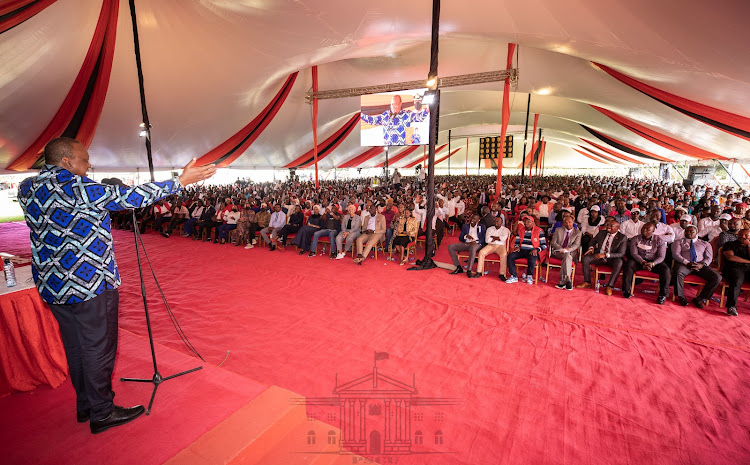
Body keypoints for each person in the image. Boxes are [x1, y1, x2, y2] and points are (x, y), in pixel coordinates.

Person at [17, 137, 215, 434]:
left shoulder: (27, 187)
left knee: (75, 346)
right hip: (88, 283)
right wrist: (179, 181)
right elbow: (128, 197)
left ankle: (85, 404)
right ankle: (102, 412)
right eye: (84, 160)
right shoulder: (76, 186)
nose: (89, 164)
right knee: (98, 347)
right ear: (67, 162)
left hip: (53, 284)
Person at [671, 225, 721, 308]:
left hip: (700, 265)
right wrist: (687, 263)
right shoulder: (678, 242)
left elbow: (709, 257)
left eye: (691, 231)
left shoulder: (705, 243)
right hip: (685, 264)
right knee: (679, 271)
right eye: (686, 231)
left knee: (717, 277)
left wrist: (702, 265)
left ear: (696, 233)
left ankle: (701, 298)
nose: (688, 233)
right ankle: (681, 297)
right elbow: (676, 255)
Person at [622, 222, 671, 303]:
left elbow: (661, 256)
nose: (644, 230)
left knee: (666, 269)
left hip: (654, 261)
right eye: (643, 228)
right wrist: (643, 262)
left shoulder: (660, 241)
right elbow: (634, 254)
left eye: (648, 229)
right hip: (639, 260)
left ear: (653, 231)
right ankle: (626, 290)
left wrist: (653, 263)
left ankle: (663, 295)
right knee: (628, 265)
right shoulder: (635, 239)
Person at [577, 219, 627, 294]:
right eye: (607, 225)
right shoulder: (602, 233)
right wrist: (591, 248)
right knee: (585, 258)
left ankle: (609, 286)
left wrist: (606, 255)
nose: (608, 227)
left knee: (619, 262)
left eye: (611, 226)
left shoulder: (622, 237)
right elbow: (592, 241)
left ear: (617, 228)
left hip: (612, 258)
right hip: (599, 256)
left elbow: (621, 253)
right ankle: (587, 282)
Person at [359, 94, 429, 145]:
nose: (393, 106)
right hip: (387, 150)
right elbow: (372, 121)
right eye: (392, 104)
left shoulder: (407, 114)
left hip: (401, 149)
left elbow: (419, 117)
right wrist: (359, 115)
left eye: (395, 104)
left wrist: (427, 110)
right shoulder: (385, 115)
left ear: (400, 104)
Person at [506, 215, 547, 284]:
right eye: (525, 222)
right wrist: (517, 247)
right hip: (522, 250)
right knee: (510, 256)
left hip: (532, 250)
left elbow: (544, 245)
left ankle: (529, 275)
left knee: (532, 258)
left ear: (532, 222)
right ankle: (514, 276)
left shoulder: (539, 231)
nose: (526, 223)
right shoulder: (521, 231)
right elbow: (517, 242)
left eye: (529, 222)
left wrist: (536, 250)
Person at [721, 229, 750, 316]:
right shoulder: (730, 244)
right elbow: (730, 257)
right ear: (737, 235)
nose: (743, 237)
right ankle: (731, 307)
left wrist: (749, 246)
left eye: (746, 235)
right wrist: (748, 262)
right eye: (741, 235)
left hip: (748, 269)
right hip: (734, 268)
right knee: (737, 281)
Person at [549, 215, 582, 290]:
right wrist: (561, 249)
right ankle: (568, 279)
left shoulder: (577, 232)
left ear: (573, 222)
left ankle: (563, 281)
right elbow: (553, 242)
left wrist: (568, 249)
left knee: (567, 256)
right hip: (558, 252)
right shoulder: (558, 230)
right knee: (567, 256)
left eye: (570, 222)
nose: (568, 224)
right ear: (563, 223)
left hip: (570, 252)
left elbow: (576, 245)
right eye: (566, 222)